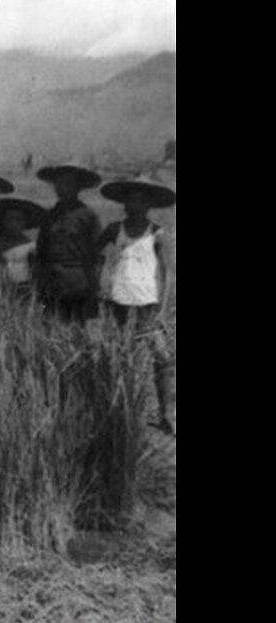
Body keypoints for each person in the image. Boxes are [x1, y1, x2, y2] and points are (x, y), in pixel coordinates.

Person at [98, 173, 176, 435]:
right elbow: (95, 256)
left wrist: (163, 309)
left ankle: (166, 414)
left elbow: (168, 273)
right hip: (119, 303)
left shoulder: (157, 233)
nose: (136, 204)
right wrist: (102, 286)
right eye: (132, 199)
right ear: (125, 203)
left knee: (162, 358)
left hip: (147, 304)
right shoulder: (113, 230)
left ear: (149, 204)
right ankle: (122, 412)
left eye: (142, 199)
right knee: (121, 356)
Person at [35, 159, 103, 322]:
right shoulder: (49, 216)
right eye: (58, 183)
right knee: (51, 323)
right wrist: (40, 281)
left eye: (69, 183)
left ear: (79, 187)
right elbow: (41, 251)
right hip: (52, 282)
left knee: (78, 326)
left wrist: (95, 287)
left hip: (79, 282)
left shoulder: (88, 216)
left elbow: (98, 255)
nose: (62, 187)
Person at [0, 197, 46, 301]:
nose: (13, 224)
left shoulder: (30, 245)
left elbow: (37, 271)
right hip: (2, 288)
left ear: (25, 222)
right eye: (9, 220)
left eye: (18, 220)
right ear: (3, 222)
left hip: (25, 288)